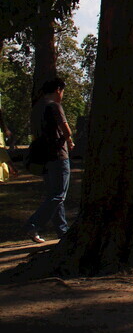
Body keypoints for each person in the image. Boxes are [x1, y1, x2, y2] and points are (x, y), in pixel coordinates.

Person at [25, 77, 73, 243]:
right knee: (59, 195)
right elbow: (66, 130)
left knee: (54, 194)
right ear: (58, 89)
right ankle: (33, 224)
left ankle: (62, 231)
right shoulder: (54, 106)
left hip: (43, 157)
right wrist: (70, 140)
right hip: (58, 155)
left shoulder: (37, 108)